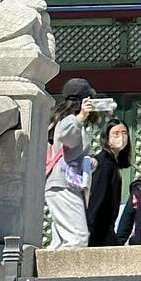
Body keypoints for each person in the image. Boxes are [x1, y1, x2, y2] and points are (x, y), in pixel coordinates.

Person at [45, 78, 99, 250]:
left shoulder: (63, 119)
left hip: (60, 184)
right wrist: (81, 116)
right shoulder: (69, 119)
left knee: (61, 240)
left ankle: (48, 275)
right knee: (78, 237)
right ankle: (66, 276)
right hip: (63, 185)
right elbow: (67, 137)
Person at [86, 118, 132, 247]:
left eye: (124, 133)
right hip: (99, 228)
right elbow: (98, 196)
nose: (121, 137)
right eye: (116, 133)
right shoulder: (104, 163)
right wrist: (90, 226)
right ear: (107, 138)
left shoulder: (114, 163)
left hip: (106, 227)